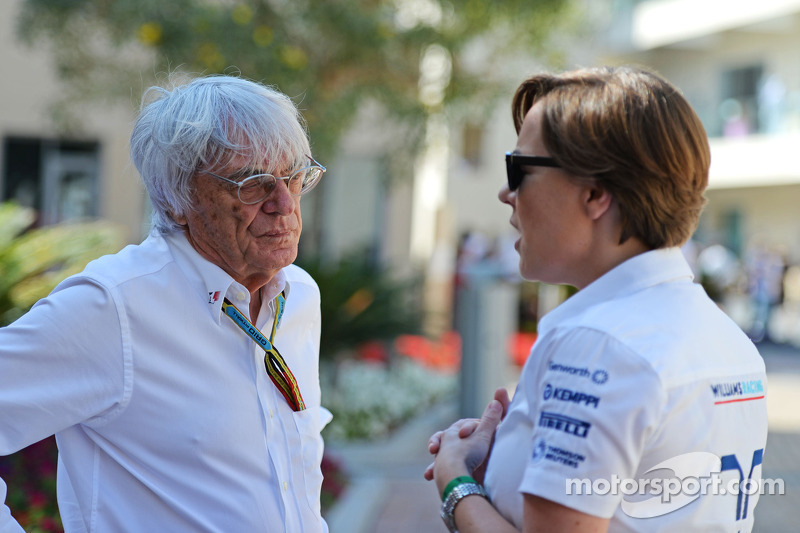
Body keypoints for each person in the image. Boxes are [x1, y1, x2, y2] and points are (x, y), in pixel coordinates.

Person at [424, 66, 768, 532]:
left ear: (595, 193)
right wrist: (517, 460)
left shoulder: (599, 343)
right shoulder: (726, 339)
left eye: (519, 167)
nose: (506, 193)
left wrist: (456, 482)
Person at [0, 74, 332, 532]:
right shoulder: (114, 307)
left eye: (295, 177)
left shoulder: (298, 295)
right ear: (180, 199)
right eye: (252, 184)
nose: (284, 203)